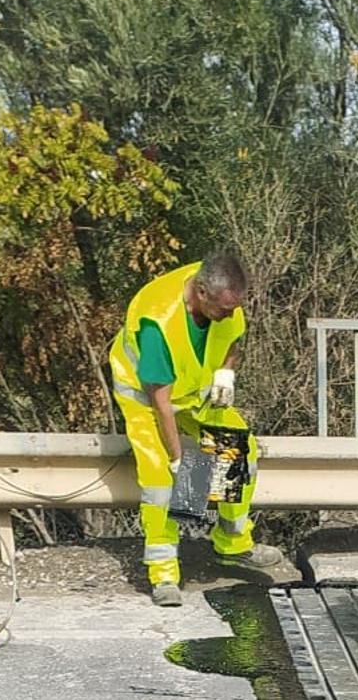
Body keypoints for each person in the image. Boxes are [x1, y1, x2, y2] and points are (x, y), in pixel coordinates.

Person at [108, 251, 281, 606]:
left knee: (237, 447)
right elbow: (161, 403)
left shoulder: (224, 296)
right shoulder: (159, 322)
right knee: (160, 481)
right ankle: (164, 574)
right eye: (224, 309)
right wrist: (177, 457)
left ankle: (232, 544)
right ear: (201, 293)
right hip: (146, 398)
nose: (230, 314)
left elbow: (233, 340)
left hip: (193, 392)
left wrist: (226, 372)